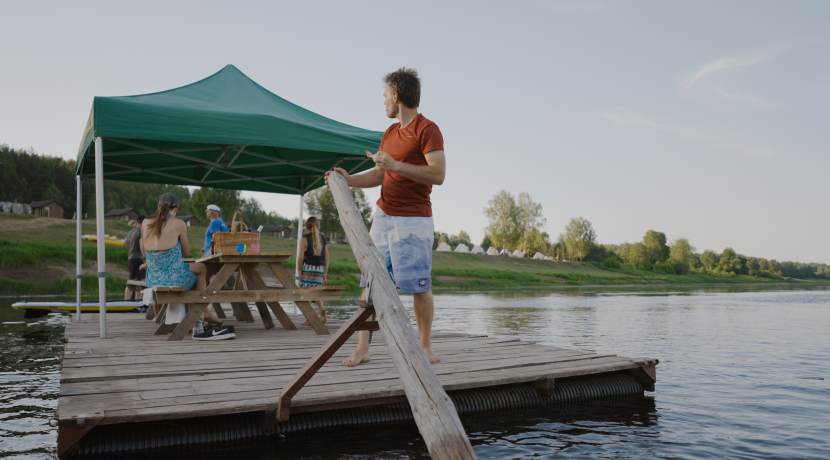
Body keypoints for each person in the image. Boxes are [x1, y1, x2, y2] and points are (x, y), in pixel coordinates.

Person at [325, 67, 446, 367]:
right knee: (370, 283)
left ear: (396, 95)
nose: (383, 102)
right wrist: (350, 179)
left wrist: (396, 164)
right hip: (383, 216)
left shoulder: (427, 129)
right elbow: (381, 173)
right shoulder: (390, 133)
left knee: (420, 287)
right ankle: (363, 348)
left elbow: (438, 174)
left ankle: (425, 346)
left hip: (414, 221)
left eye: (384, 96)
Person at [141, 193, 234, 340]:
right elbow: (186, 251)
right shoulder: (179, 224)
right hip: (172, 279)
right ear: (176, 209)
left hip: (152, 279)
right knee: (201, 269)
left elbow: (144, 251)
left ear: (159, 206)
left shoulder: (145, 222)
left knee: (193, 271)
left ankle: (198, 316)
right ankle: (201, 313)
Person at [296, 217, 328, 325]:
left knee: (305, 293)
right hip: (319, 269)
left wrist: (299, 270)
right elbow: (327, 258)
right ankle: (322, 309)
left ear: (307, 227)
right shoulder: (323, 239)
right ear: (318, 226)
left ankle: (309, 318)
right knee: (316, 291)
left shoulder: (304, 239)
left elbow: (301, 257)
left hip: (308, 268)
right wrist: (325, 273)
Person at [123, 216, 146, 300]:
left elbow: (124, 243)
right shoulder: (141, 232)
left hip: (131, 258)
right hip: (138, 259)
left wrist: (132, 247)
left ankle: (138, 300)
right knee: (133, 280)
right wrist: (144, 254)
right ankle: (127, 301)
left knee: (141, 280)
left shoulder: (131, 231)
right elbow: (141, 245)